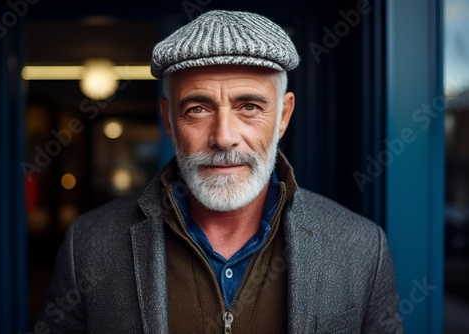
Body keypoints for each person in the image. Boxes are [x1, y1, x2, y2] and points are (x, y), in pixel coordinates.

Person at [38, 9, 403, 334]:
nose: (224, 137)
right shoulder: (89, 244)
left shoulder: (361, 248)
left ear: (283, 116)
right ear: (168, 119)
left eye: (249, 106)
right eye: (197, 108)